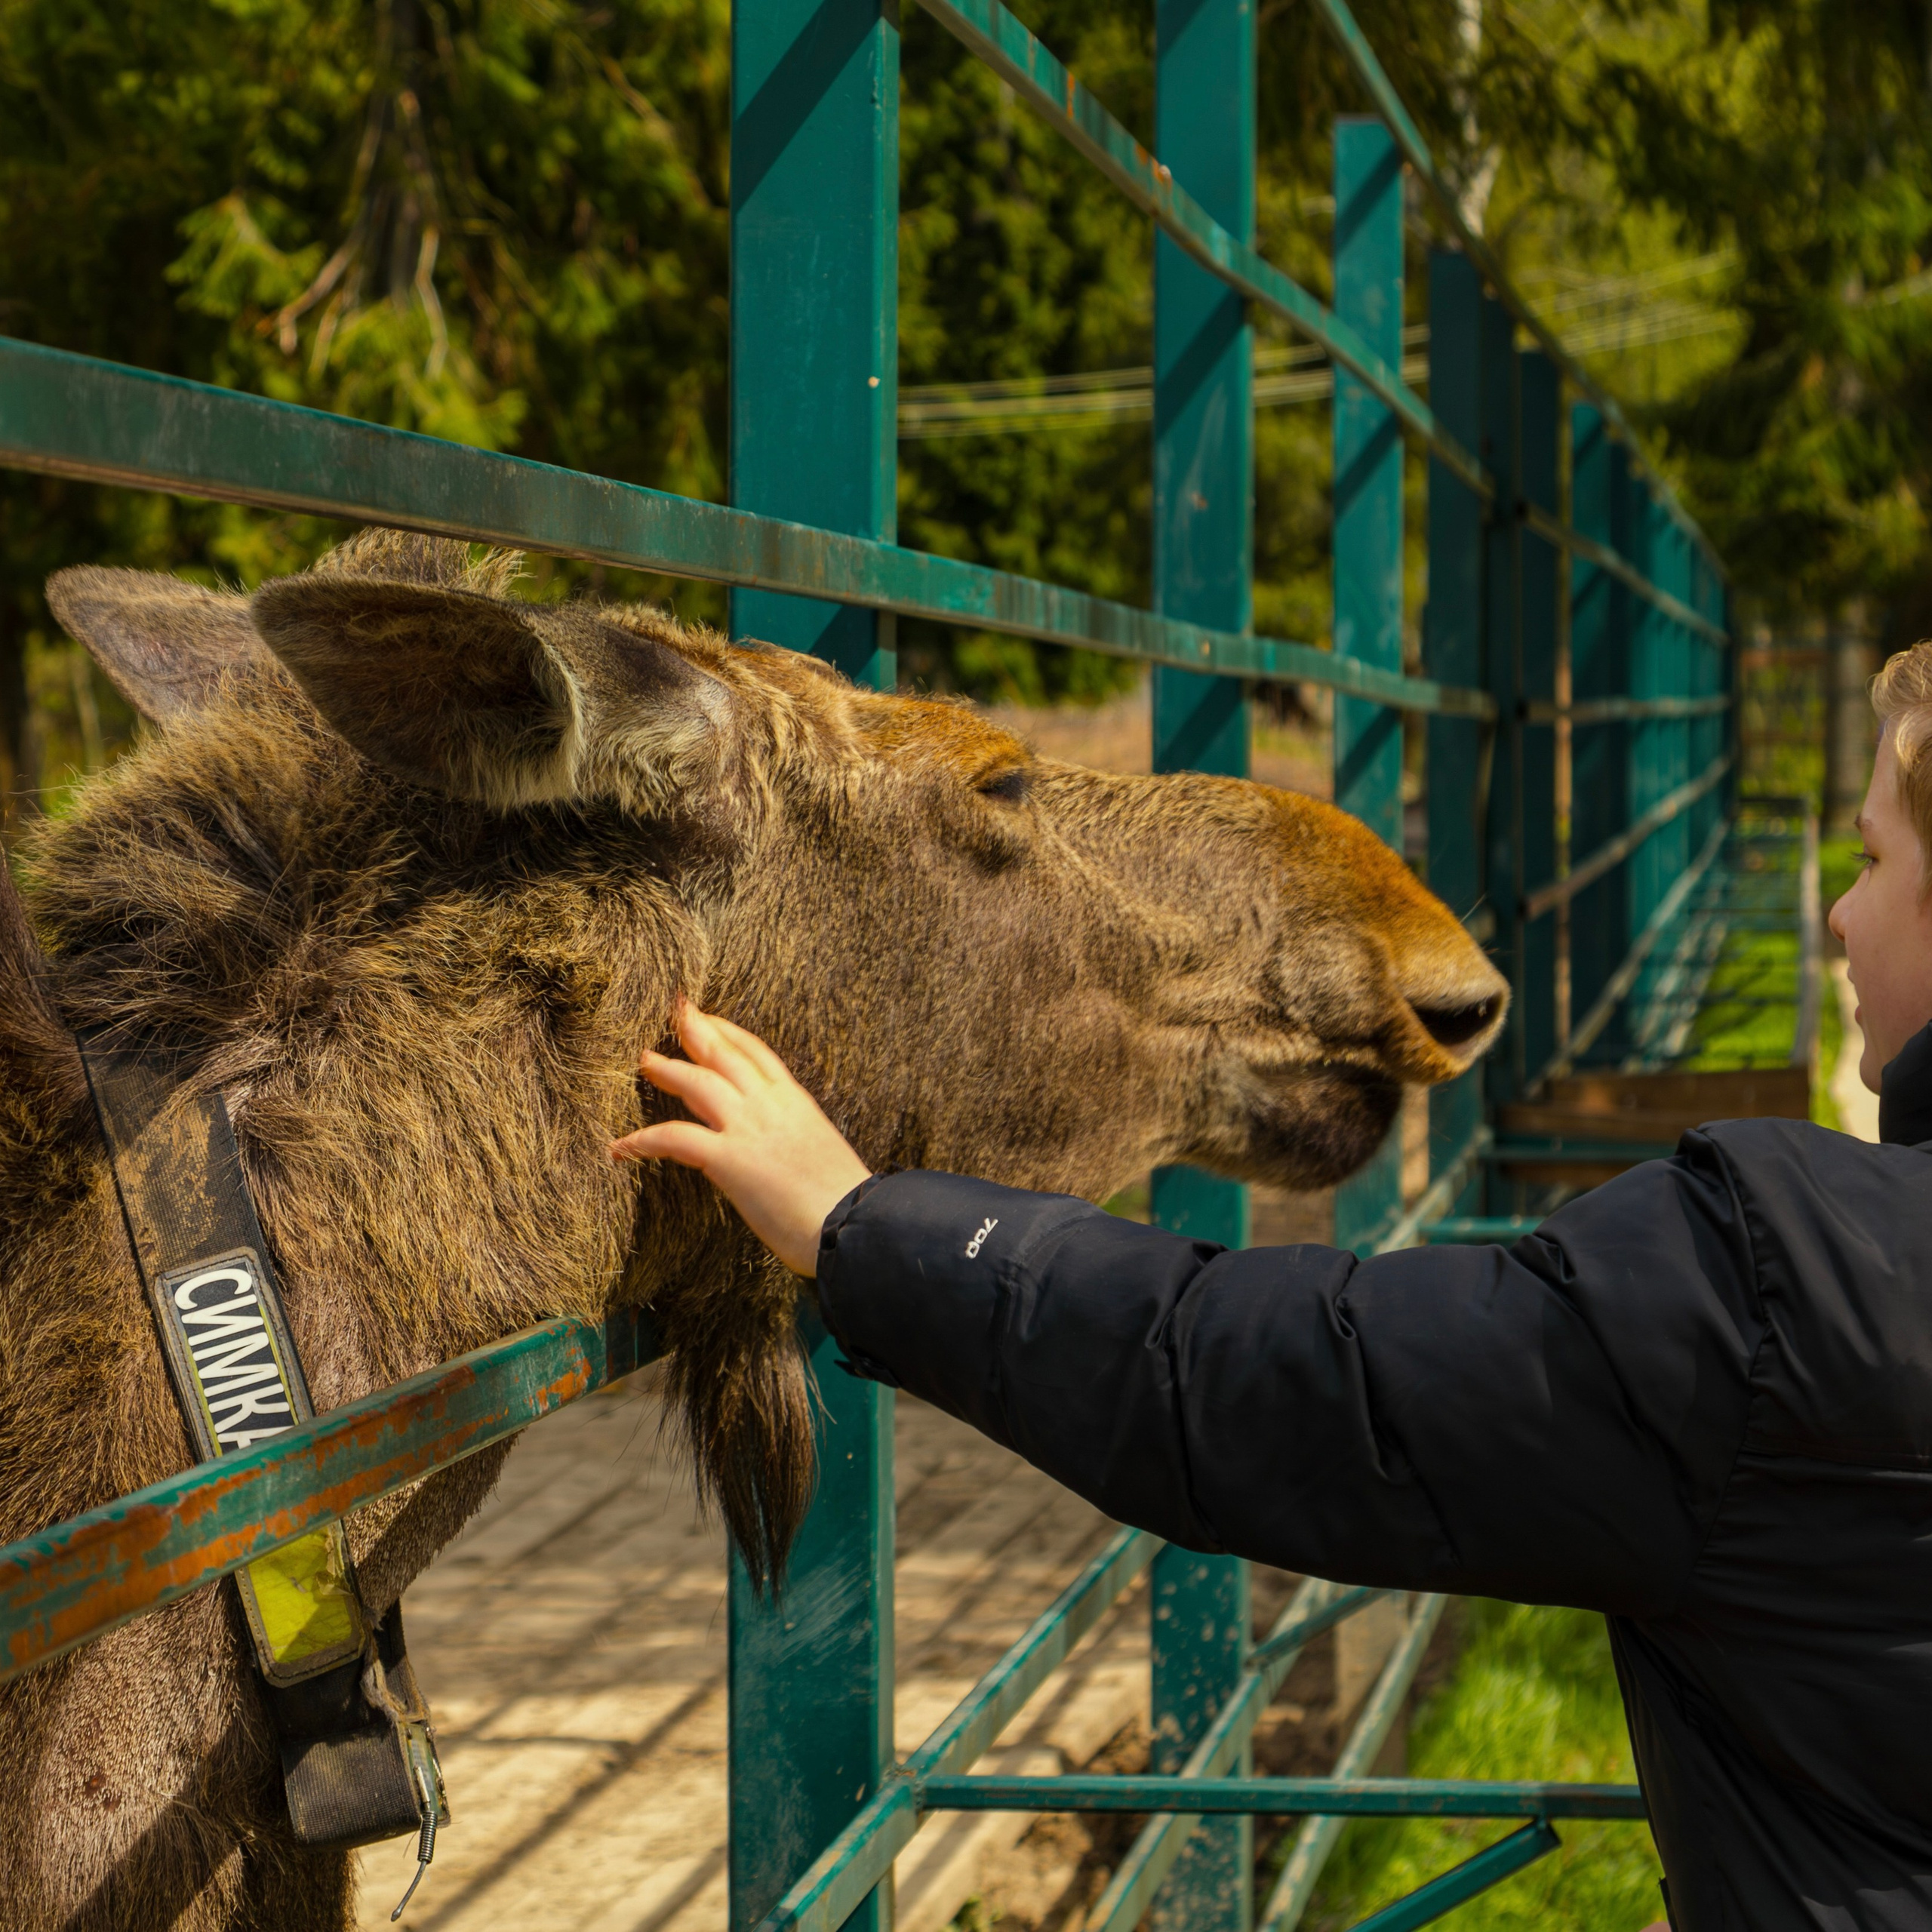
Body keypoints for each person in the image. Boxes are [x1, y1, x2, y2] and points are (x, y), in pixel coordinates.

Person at [611, 645, 1932, 1932]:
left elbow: (1300, 1387)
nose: (1835, 908)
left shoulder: (1800, 1279)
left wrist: (862, 1224)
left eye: (1871, 860)